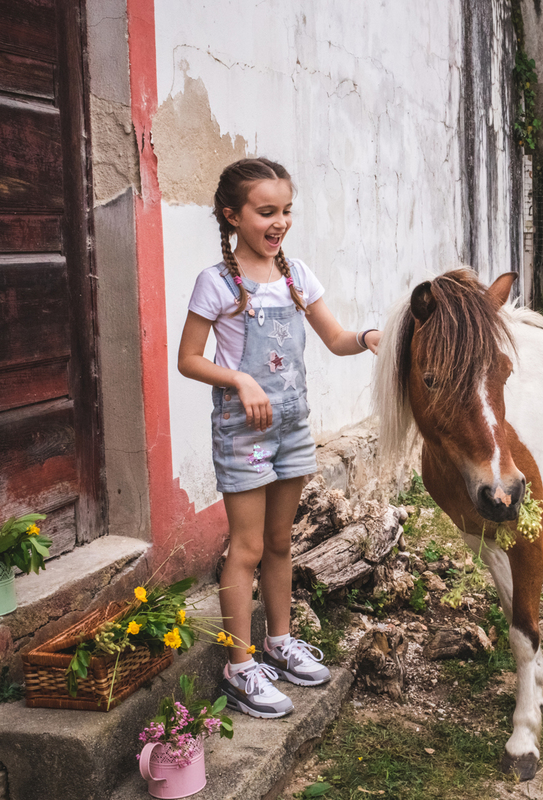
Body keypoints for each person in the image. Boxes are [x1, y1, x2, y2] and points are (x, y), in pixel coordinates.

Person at [177, 158, 381, 718]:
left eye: (286, 210)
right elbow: (188, 359)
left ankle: (280, 643)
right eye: (266, 211)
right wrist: (239, 378)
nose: (280, 222)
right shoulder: (217, 283)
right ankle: (239, 667)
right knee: (244, 549)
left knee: (280, 542)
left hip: (292, 426)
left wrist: (368, 336)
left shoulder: (296, 277)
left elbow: (335, 337)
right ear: (232, 216)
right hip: (242, 433)